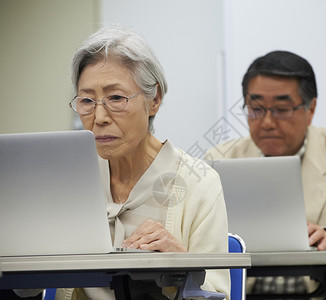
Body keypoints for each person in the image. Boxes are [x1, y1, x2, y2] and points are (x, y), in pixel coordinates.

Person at [16, 25, 230, 300]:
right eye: (87, 100)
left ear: (154, 100)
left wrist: (182, 269)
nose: (100, 116)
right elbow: (26, 289)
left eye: (115, 98)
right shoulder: (69, 180)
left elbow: (218, 294)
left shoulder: (199, 183)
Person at [205, 50, 326, 300]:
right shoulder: (220, 158)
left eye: (281, 109)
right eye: (255, 109)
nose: (266, 122)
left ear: (311, 109)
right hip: (246, 292)